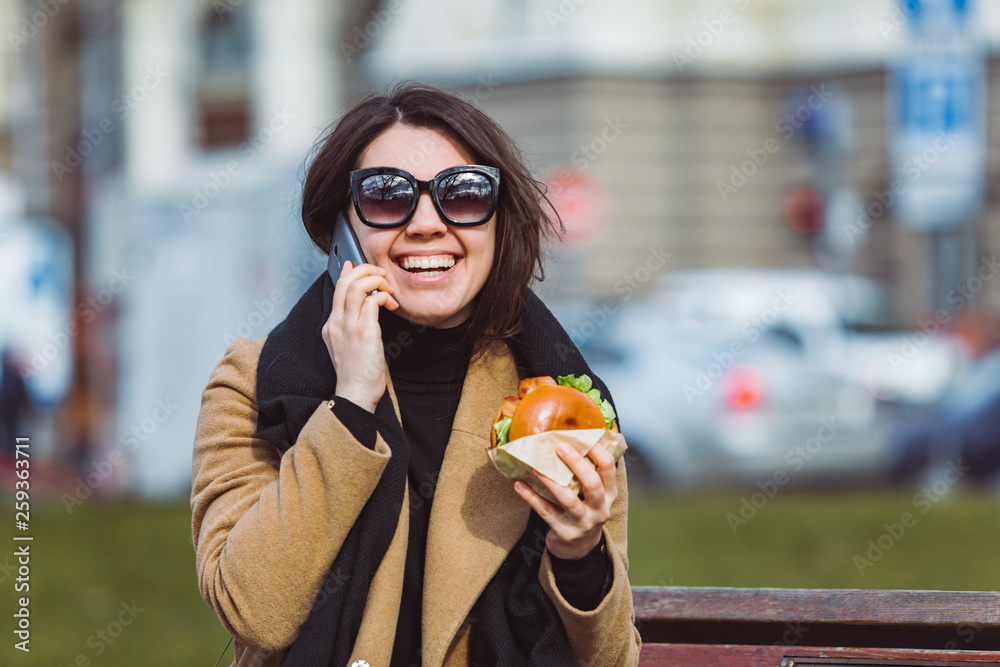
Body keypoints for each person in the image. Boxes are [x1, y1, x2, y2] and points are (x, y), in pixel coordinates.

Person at [191, 82, 640, 667]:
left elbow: (614, 661)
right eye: (386, 196)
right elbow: (254, 611)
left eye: (464, 194)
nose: (428, 223)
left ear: (498, 222)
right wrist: (350, 401)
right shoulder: (253, 383)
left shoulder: (562, 401)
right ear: (341, 232)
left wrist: (581, 553)